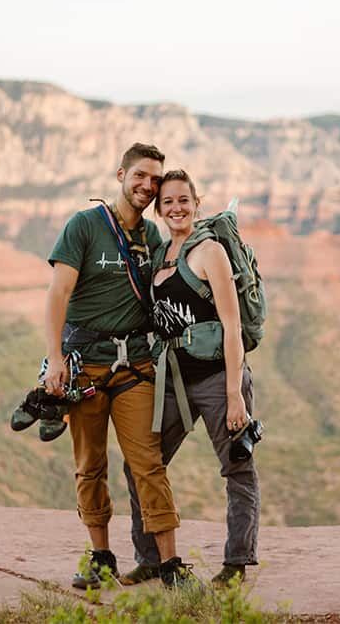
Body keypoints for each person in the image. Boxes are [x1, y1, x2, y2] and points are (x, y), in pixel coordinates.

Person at [43, 143, 194, 590]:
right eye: (140, 176)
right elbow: (58, 295)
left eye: (155, 180)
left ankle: (170, 566)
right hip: (85, 368)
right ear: (120, 175)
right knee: (90, 464)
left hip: (135, 368)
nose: (148, 186)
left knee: (147, 462)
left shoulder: (151, 237)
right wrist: (54, 360)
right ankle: (100, 556)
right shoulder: (85, 226)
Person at [121, 169, 260, 588]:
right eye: (167, 202)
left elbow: (232, 326)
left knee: (237, 467)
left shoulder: (210, 250)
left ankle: (237, 562)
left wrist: (235, 395)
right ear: (158, 209)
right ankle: (151, 556)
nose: (176, 208)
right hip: (173, 381)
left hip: (219, 378)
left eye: (184, 200)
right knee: (141, 465)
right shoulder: (162, 253)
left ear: (197, 203)